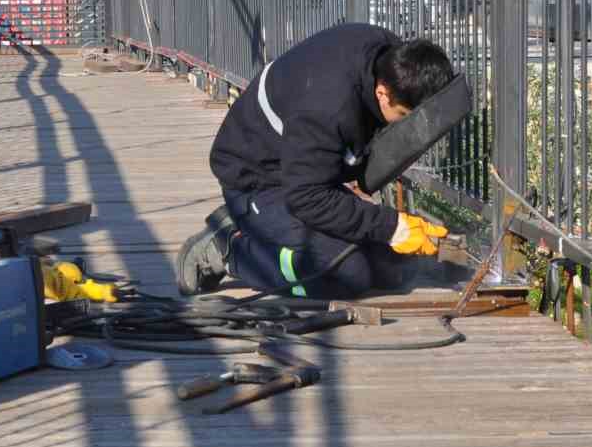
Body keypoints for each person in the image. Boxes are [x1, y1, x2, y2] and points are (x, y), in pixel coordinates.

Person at [176, 24, 455, 299]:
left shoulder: (389, 57)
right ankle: (229, 247)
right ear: (382, 93)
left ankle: (254, 226)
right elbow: (307, 197)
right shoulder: (327, 107)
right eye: (405, 115)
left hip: (304, 169)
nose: (408, 126)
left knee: (391, 268)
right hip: (258, 177)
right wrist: (392, 226)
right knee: (345, 273)